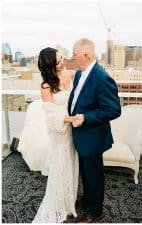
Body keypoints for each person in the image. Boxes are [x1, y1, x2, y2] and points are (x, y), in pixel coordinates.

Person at [68, 38, 121, 223]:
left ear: (86, 55)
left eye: (74, 53)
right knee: (85, 171)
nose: (71, 56)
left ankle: (95, 211)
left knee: (94, 175)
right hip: (81, 135)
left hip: (93, 136)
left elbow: (114, 109)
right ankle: (88, 198)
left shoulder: (101, 77)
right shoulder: (78, 74)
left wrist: (85, 118)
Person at [32, 47, 79, 223]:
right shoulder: (46, 86)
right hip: (59, 129)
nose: (63, 62)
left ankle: (69, 201)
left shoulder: (71, 74)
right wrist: (71, 118)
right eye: (58, 61)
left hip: (74, 127)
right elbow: (51, 115)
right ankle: (58, 204)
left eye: (62, 58)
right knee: (60, 165)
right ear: (50, 65)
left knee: (72, 162)